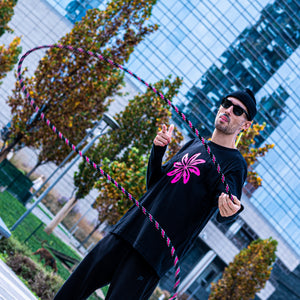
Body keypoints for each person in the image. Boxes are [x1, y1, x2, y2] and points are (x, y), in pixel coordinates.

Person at [54, 89, 257, 300]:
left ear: (245, 124)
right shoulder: (195, 144)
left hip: (154, 252)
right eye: (226, 103)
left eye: (238, 110)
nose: (228, 110)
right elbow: (154, 184)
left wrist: (232, 209)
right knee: (75, 286)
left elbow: (228, 207)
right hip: (129, 229)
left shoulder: (235, 164)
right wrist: (158, 150)